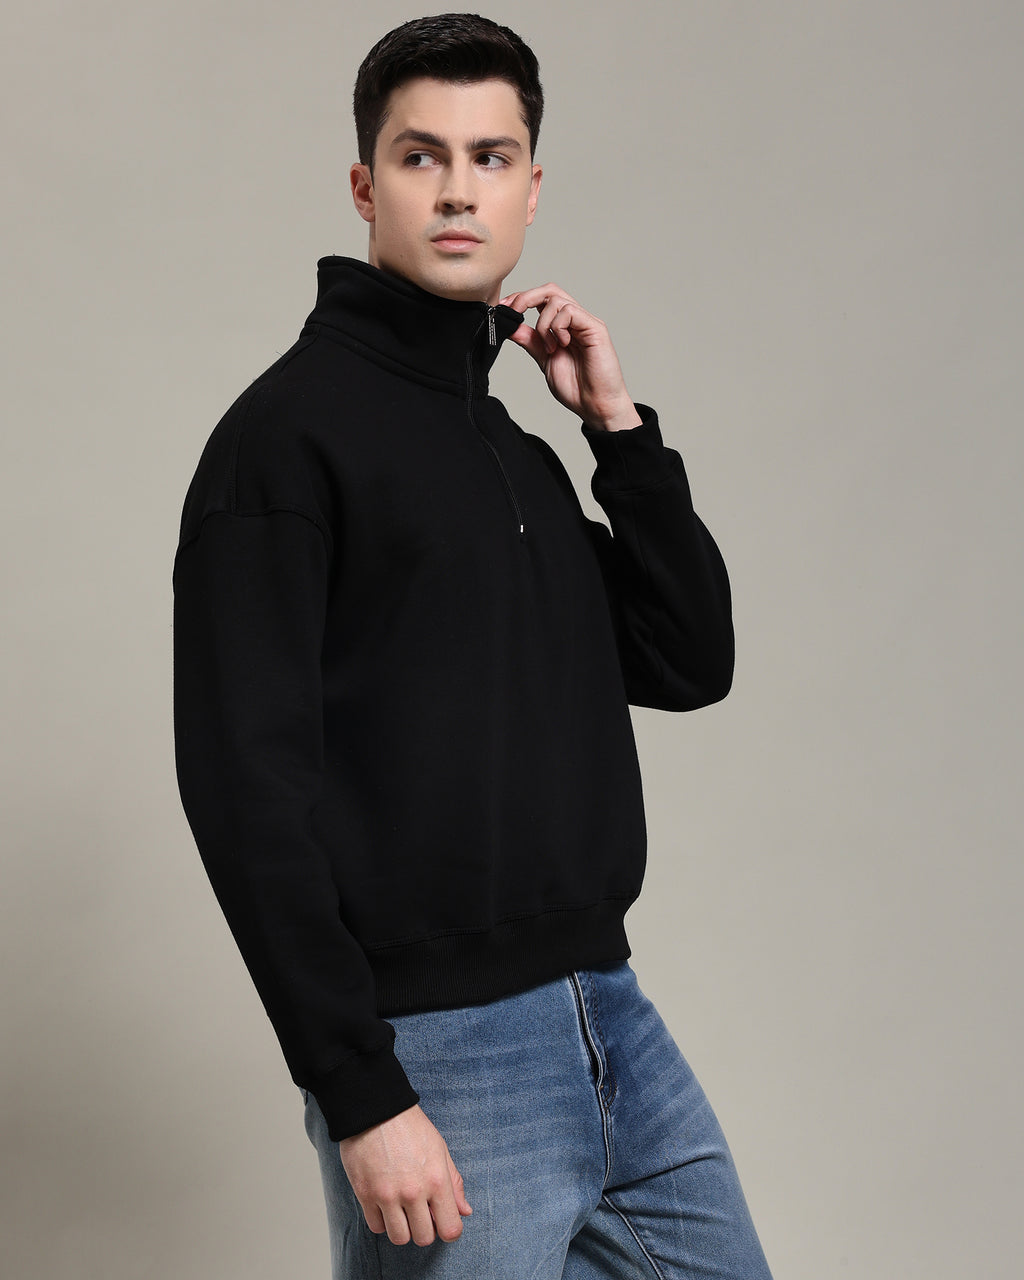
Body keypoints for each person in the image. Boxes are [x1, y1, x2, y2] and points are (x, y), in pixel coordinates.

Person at [173, 12, 772, 1278]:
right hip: (439, 1053)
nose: (458, 190)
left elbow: (689, 659)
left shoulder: (512, 449)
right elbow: (245, 790)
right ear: (365, 186)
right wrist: (360, 1090)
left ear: (530, 189)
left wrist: (617, 432)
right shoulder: (283, 444)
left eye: (490, 158)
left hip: (609, 1014)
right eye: (421, 156)